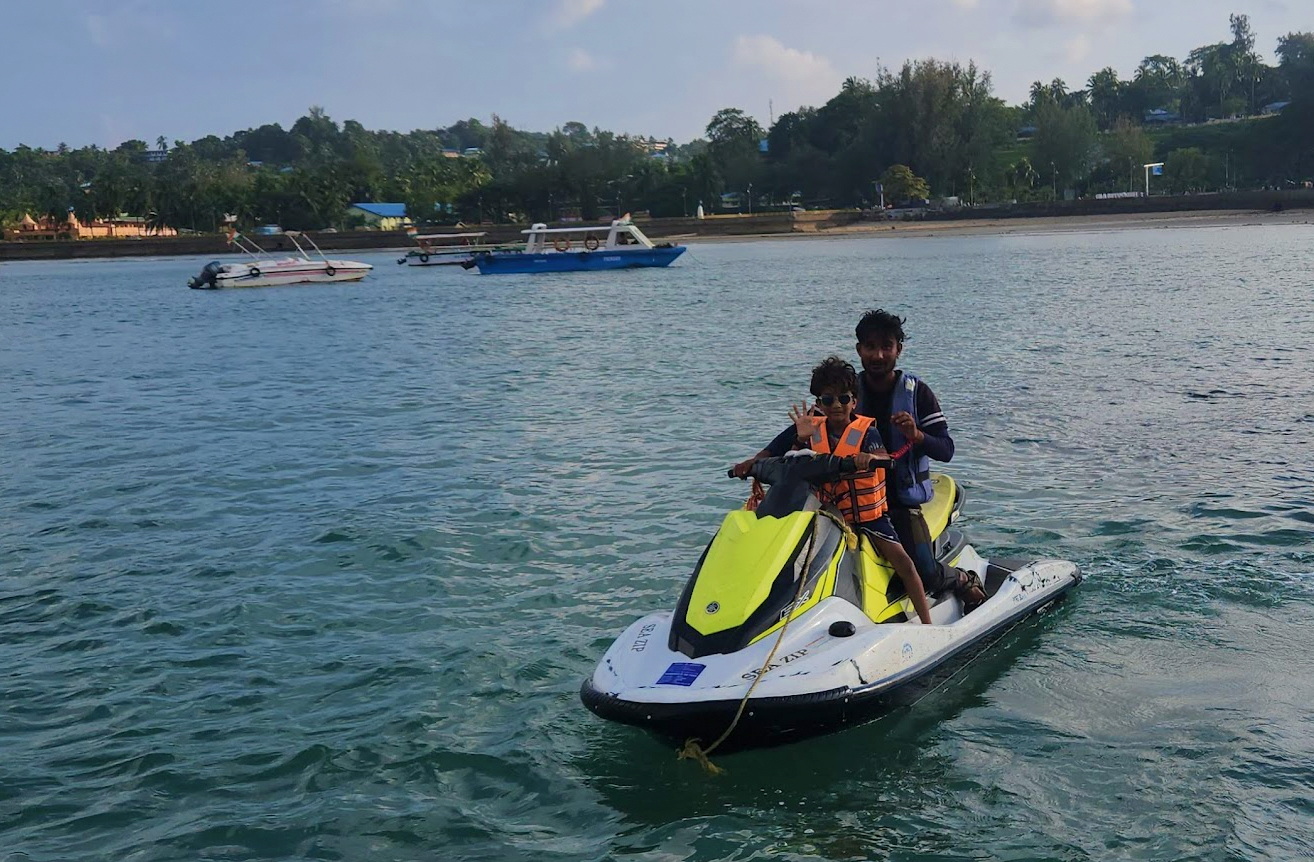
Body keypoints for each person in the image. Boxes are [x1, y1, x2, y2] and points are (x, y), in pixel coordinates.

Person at [732, 357, 934, 625]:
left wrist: (869, 458)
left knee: (904, 562)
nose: (836, 405)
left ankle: (927, 624)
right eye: (828, 399)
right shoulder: (809, 428)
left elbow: (883, 455)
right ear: (819, 403)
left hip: (866, 515)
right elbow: (782, 456)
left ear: (854, 401)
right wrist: (756, 462)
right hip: (826, 512)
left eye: (843, 398)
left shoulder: (867, 432)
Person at [852, 309, 985, 610]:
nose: (878, 355)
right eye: (870, 346)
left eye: (886, 346)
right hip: (855, 500)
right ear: (859, 349)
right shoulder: (846, 394)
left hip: (900, 503)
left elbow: (946, 450)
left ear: (899, 349)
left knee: (923, 573)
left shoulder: (917, 394)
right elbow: (808, 434)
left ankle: (962, 580)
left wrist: (916, 435)